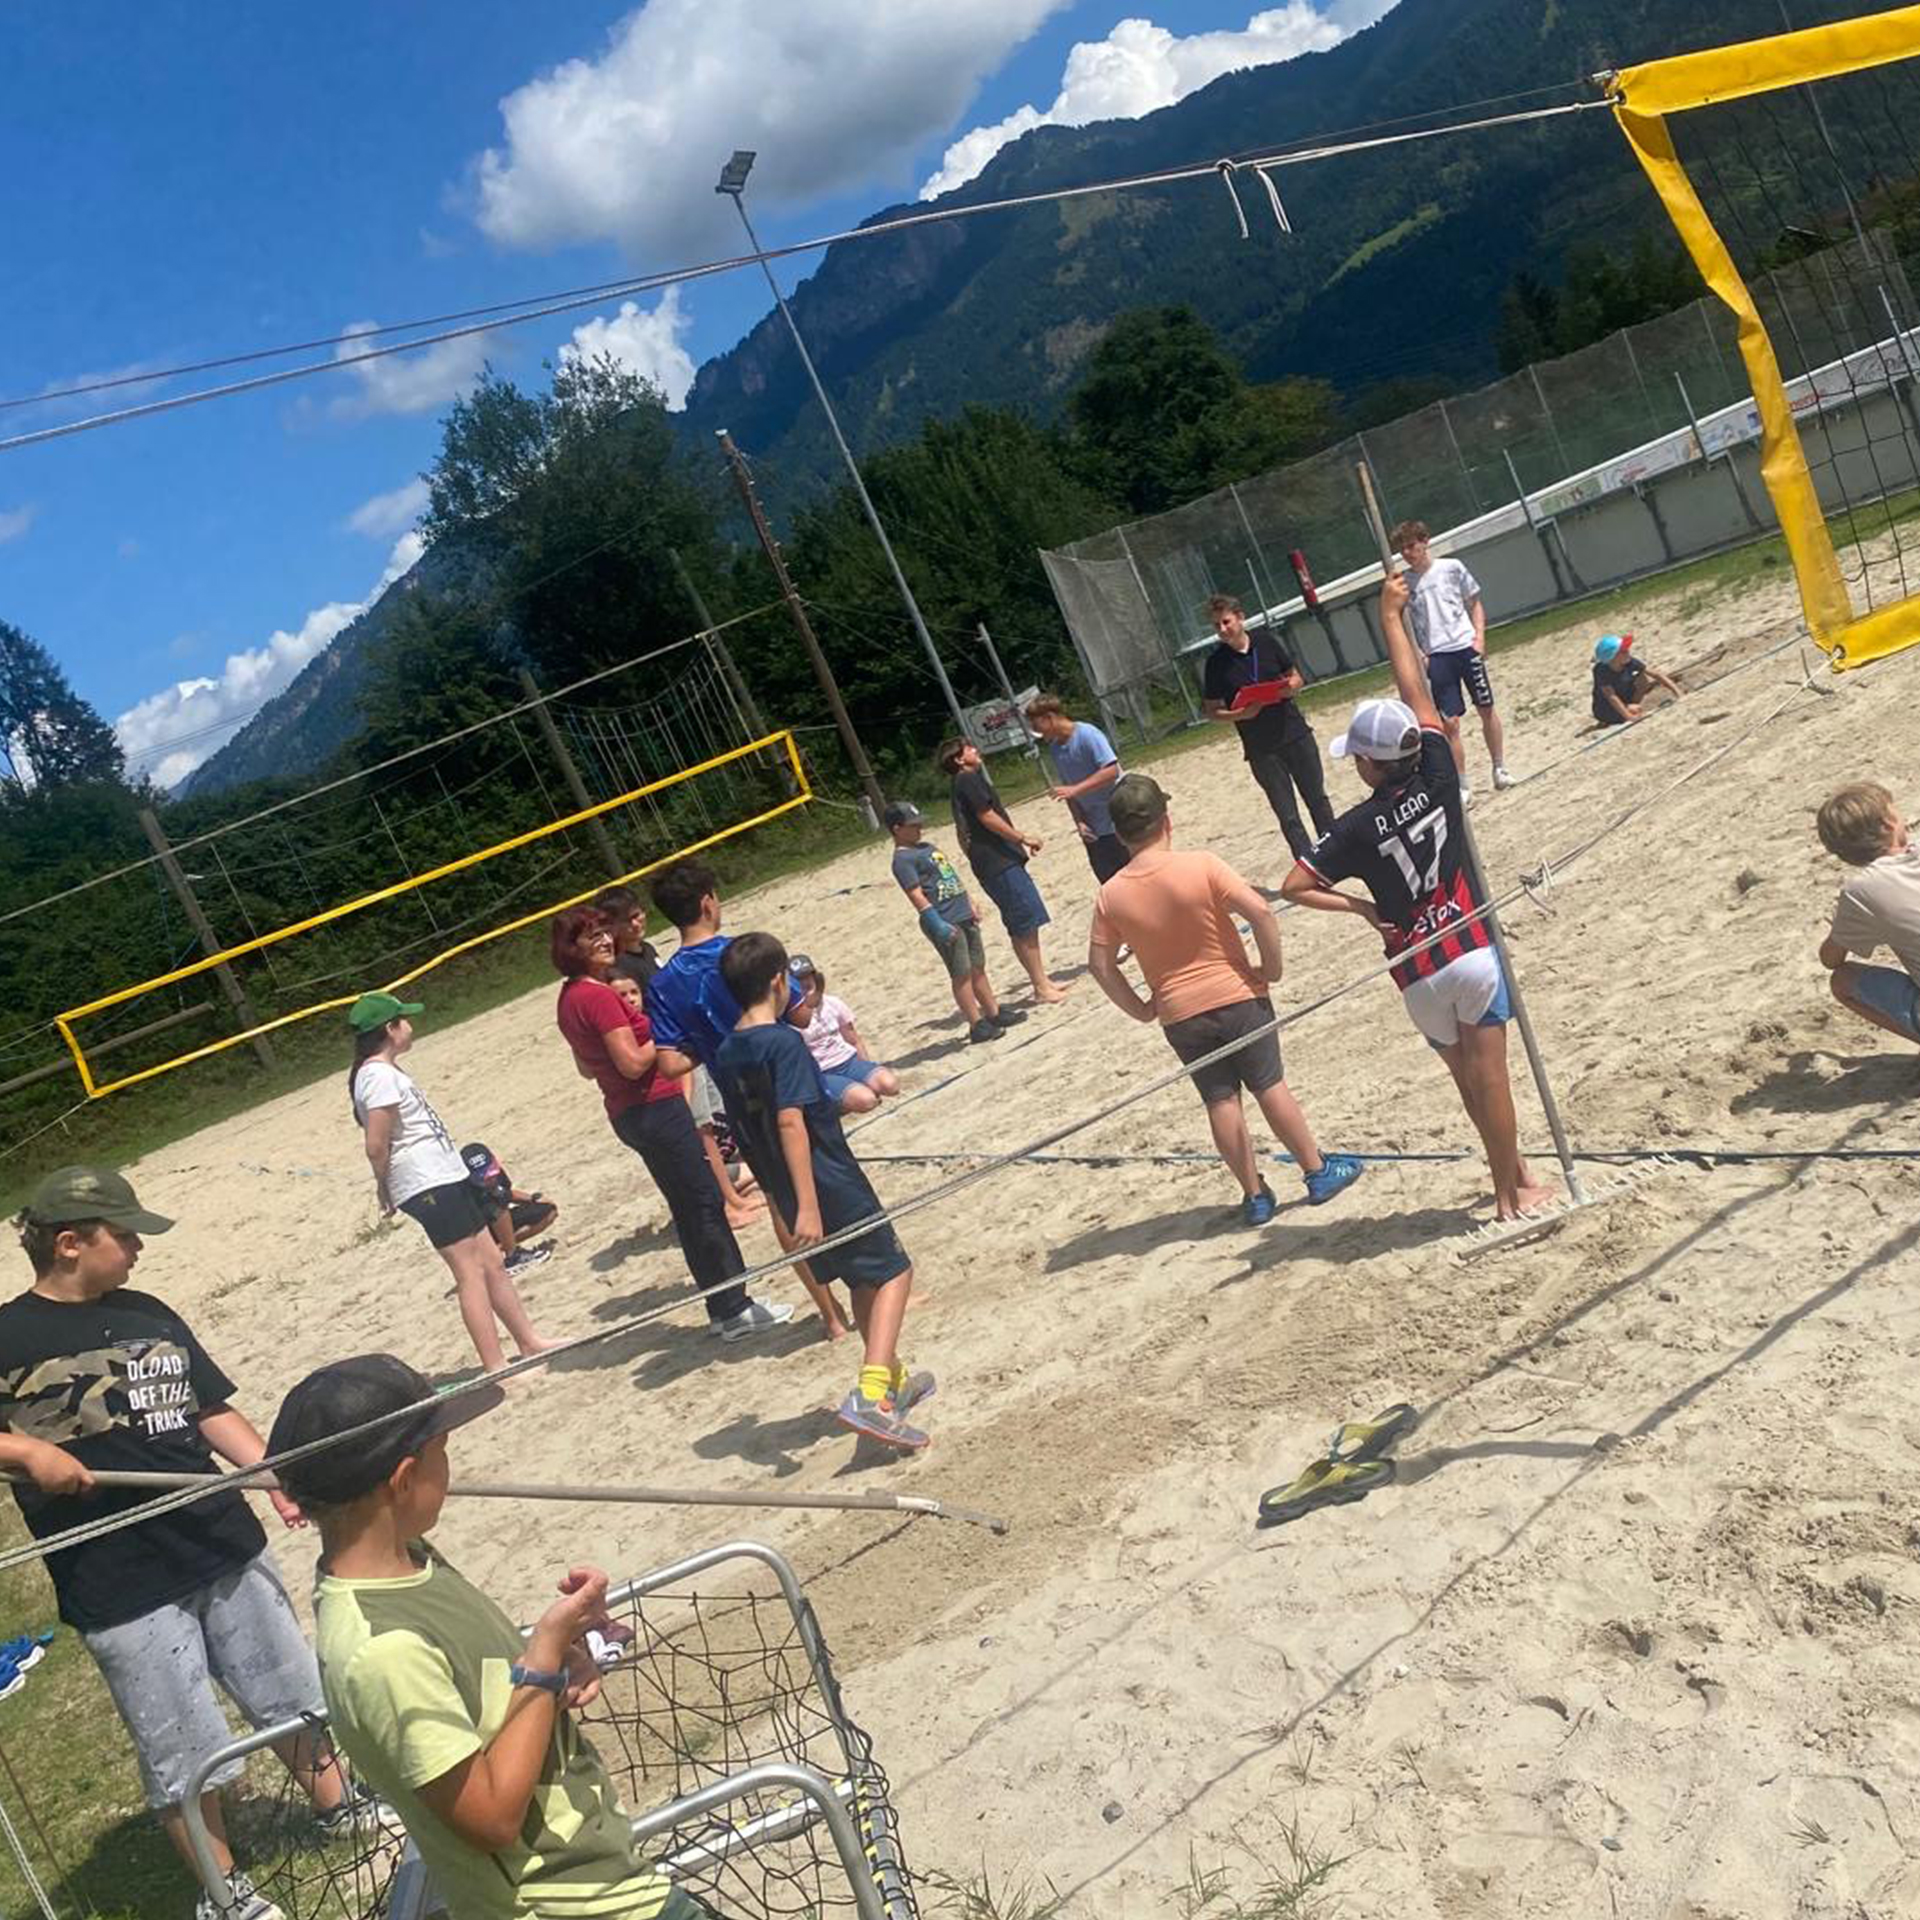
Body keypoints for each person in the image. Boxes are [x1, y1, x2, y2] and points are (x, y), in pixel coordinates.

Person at [1, 1167, 369, 1920]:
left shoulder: (150, 1313)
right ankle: (225, 1894)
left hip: (220, 1538)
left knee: (288, 1688)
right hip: (116, 1576)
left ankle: (342, 1806)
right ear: (69, 1244)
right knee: (182, 1743)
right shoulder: (7, 1337)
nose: (138, 1247)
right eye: (124, 1234)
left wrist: (273, 1474)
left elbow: (208, 1408)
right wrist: (25, 1451)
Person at [269, 1353, 710, 1920]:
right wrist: (541, 1661)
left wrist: (560, 1662)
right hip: (565, 1907)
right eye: (442, 1450)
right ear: (404, 1480)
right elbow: (491, 1818)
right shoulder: (381, 1648)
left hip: (606, 1879)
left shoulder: (413, 1561)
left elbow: (487, 1703)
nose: (449, 1467)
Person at [1281, 575, 1552, 1221]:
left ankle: (1514, 1175)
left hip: (1416, 970)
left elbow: (1295, 886)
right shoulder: (1437, 770)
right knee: (1493, 1078)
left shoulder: (1353, 828)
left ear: (1369, 764)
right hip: (1469, 945)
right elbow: (1415, 691)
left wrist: (1362, 908)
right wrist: (1392, 618)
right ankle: (1511, 1194)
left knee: (1468, 1082)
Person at [1087, 776, 1365, 1224]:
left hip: (1179, 1012)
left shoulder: (1110, 894)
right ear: (1166, 821)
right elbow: (1261, 911)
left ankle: (1254, 1195)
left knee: (1220, 1101)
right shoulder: (1201, 865)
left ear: (1119, 835)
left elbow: (1100, 966)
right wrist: (1270, 968)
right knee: (1269, 1086)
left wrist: (1140, 1009)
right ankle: (1316, 1171)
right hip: (1236, 994)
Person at [715, 934, 930, 1451]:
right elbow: (789, 1121)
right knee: (895, 1271)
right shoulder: (783, 1043)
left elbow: (746, 1131)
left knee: (862, 1278)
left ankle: (892, 1378)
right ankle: (870, 1394)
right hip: (826, 1179)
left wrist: (783, 1198)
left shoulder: (724, 1052)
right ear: (777, 982)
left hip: (788, 1186)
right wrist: (808, 1205)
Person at [549, 908, 793, 1342]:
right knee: (703, 1205)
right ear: (572, 947)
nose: (604, 940)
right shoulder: (597, 997)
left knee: (690, 1206)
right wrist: (675, 1038)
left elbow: (588, 1067)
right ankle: (734, 1309)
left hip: (628, 1110)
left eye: (604, 932)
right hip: (653, 1106)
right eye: (591, 936)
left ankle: (723, 1305)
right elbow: (631, 1063)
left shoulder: (569, 998)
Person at [347, 993, 560, 1374]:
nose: (410, 1026)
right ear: (389, 1029)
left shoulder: (386, 1071)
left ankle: (529, 1342)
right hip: (425, 1183)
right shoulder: (376, 1076)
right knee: (469, 1273)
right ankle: (496, 1366)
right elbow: (376, 1144)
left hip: (444, 1174)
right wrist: (383, 1187)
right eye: (403, 1020)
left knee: (493, 1261)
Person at [608, 974, 764, 1233]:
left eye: (634, 992)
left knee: (709, 1137)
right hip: (670, 1097)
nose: (630, 999)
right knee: (703, 1144)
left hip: (685, 1083)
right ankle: (727, 1203)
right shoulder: (626, 1034)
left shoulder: (648, 1021)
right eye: (622, 996)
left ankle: (732, 1198)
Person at [1199, 594, 1334, 863]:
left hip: (1294, 732)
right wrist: (1241, 713)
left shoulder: (1266, 642)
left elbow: (1294, 676)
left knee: (1317, 799)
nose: (1222, 630)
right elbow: (1211, 710)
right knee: (1288, 815)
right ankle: (1309, 864)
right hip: (1261, 748)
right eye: (1216, 626)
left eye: (1226, 622)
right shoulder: (1216, 664)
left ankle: (1335, 853)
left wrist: (1291, 687)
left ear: (1240, 618)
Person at [937, 738, 1069, 1004]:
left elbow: (965, 832)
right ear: (959, 759)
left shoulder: (963, 782)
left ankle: (1042, 981)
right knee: (1024, 922)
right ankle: (1040, 987)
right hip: (998, 862)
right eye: (969, 748)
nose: (976, 750)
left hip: (994, 862)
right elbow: (987, 817)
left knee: (1024, 922)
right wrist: (1022, 837)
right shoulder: (967, 779)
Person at [1388, 521, 1514, 797]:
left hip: (1465, 647)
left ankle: (1499, 767)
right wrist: (1420, 655)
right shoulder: (1404, 583)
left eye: (1411, 545)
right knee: (1450, 722)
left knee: (1486, 708)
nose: (1407, 553)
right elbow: (1404, 625)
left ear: (1425, 541)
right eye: (1402, 549)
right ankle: (1462, 784)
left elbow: (1474, 603)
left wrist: (1479, 639)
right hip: (1437, 656)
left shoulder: (1452, 568)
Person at [884, 801, 1022, 1047]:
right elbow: (916, 894)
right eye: (913, 825)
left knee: (977, 966)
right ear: (897, 828)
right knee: (961, 973)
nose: (919, 828)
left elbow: (950, 876)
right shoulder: (903, 860)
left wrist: (969, 900)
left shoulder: (927, 848)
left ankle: (993, 1011)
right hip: (944, 918)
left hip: (961, 912)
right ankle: (976, 1023)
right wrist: (935, 922)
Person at [1815, 782, 1920, 1047]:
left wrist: (1839, 929)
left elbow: (1831, 960)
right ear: (1888, 823)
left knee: (1843, 980)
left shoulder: (1861, 892)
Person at [1024, 694, 1128, 882]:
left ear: (1049, 718)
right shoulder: (1055, 748)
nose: (1036, 731)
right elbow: (1068, 790)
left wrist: (1075, 789)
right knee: (1109, 883)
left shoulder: (1087, 734)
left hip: (1118, 820)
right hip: (1094, 829)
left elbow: (1111, 770)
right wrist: (1079, 821)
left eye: (1036, 725)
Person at [788, 954, 900, 1114]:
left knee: (890, 1085)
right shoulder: (792, 1017)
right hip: (823, 1071)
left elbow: (853, 1040)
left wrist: (865, 1065)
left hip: (848, 1061)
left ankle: (850, 1091)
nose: (805, 982)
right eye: (799, 979)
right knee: (866, 1101)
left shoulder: (832, 1003)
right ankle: (835, 1101)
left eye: (808, 976)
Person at [457, 1143, 557, 1277]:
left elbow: (506, 1193)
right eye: (484, 1178)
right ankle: (512, 1257)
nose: (490, 1179)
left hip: (500, 1226)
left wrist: (534, 1198)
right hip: (478, 1233)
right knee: (496, 1207)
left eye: (491, 1173)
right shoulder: (461, 1190)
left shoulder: (498, 1175)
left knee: (549, 1211)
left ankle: (499, 1250)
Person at [1591, 633, 1682, 726]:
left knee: (1642, 679)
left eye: (1626, 649)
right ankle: (1620, 715)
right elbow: (1611, 696)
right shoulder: (1601, 671)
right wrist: (1629, 716)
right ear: (1611, 657)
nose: (1627, 652)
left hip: (1625, 697)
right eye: (1623, 651)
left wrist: (1678, 692)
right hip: (1606, 709)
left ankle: (1631, 706)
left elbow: (1656, 674)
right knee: (1634, 710)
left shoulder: (1630, 662)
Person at [592, 885, 661, 992]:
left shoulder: (647, 948)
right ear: (609, 926)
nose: (635, 924)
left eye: (636, 915)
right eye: (625, 920)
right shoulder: (618, 967)